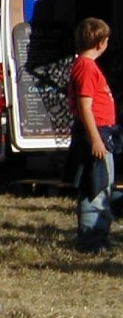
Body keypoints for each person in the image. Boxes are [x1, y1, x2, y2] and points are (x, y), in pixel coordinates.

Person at [65, 18, 117, 253]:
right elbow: (86, 106)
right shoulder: (86, 67)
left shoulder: (87, 66)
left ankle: (101, 236)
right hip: (95, 134)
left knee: (105, 185)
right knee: (95, 187)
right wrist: (95, 138)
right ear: (100, 43)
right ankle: (91, 240)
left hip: (103, 132)